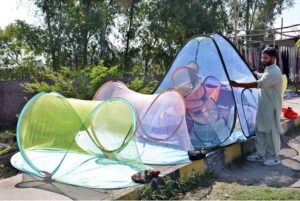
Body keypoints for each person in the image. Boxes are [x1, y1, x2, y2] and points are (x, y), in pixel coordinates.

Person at [230, 47, 283, 166]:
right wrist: (256, 74)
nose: (262, 59)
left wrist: (238, 84)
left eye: (265, 57)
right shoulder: (268, 69)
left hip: (272, 107)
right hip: (264, 105)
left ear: (273, 58)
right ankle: (260, 155)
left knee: (271, 131)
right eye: (262, 57)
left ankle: (275, 157)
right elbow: (263, 77)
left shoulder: (274, 71)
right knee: (260, 129)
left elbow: (260, 84)